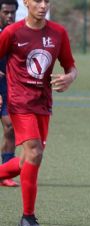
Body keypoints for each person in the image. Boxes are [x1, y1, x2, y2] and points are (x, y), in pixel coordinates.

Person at [0, 0, 77, 226]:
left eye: (47, 1)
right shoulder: (11, 32)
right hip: (19, 103)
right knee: (34, 152)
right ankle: (28, 217)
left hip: (43, 105)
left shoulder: (58, 33)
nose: (43, 5)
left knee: (27, 161)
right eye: (37, 1)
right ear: (27, 3)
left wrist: (69, 78)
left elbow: (71, 66)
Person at [0, 0, 18, 187]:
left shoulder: (14, 34)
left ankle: (5, 172)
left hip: (7, 90)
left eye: (12, 13)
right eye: (5, 12)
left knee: (10, 128)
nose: (9, 16)